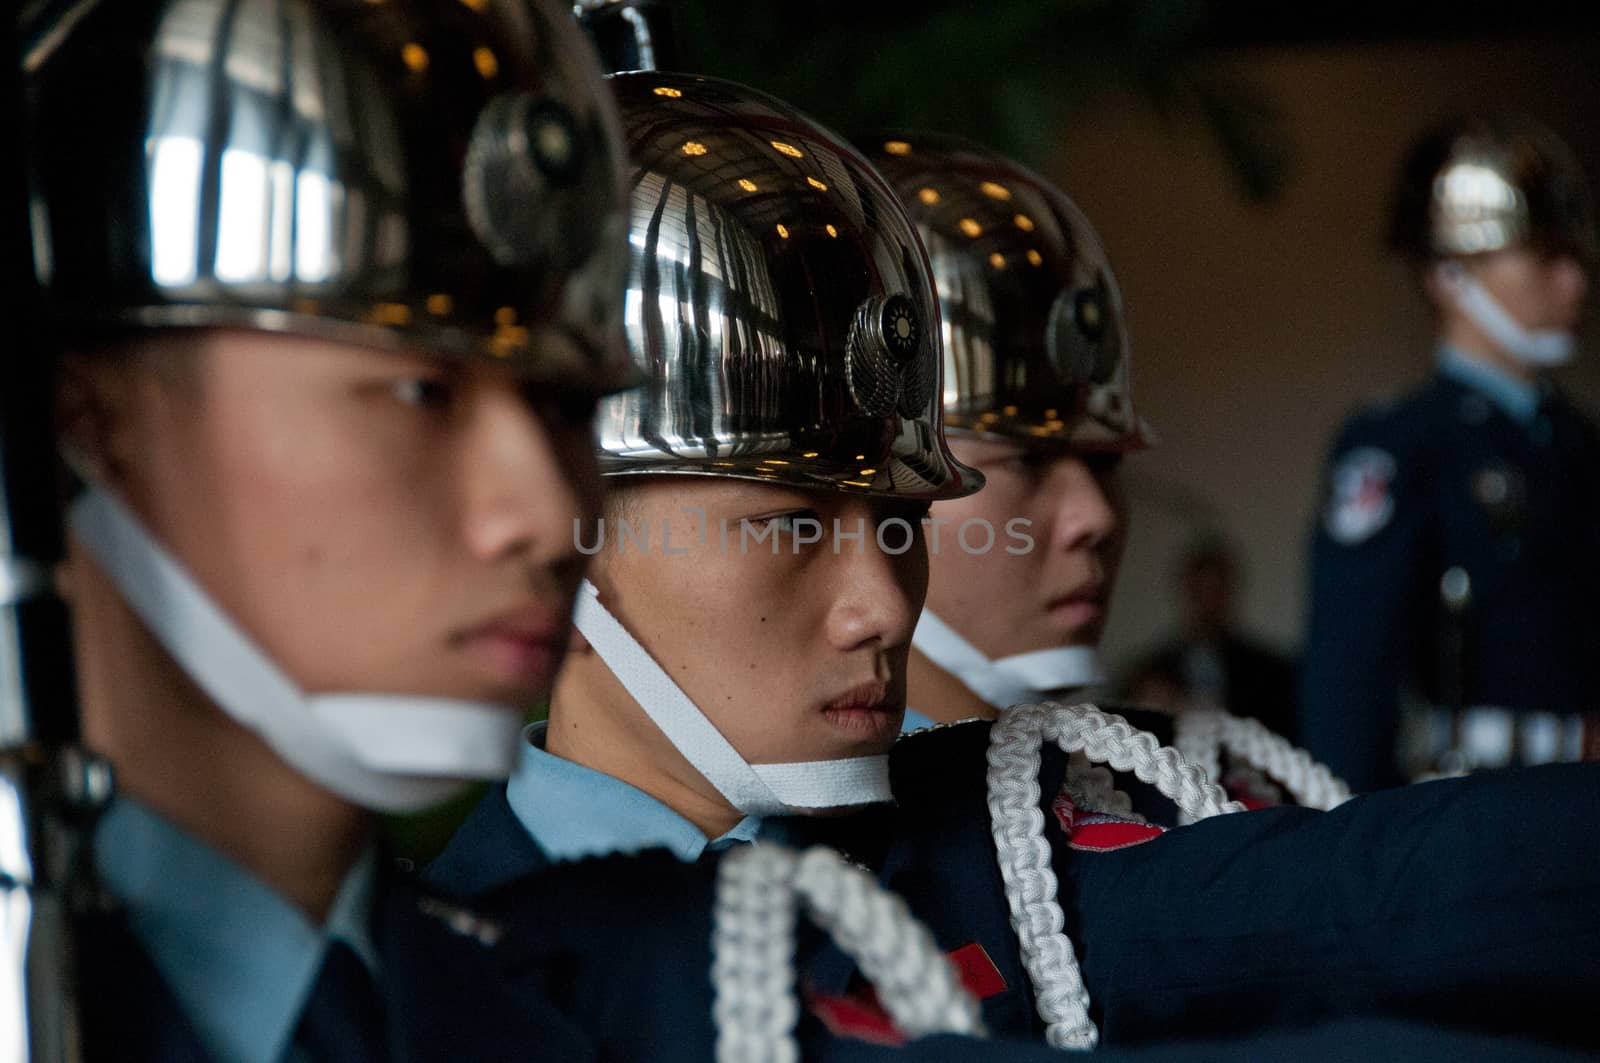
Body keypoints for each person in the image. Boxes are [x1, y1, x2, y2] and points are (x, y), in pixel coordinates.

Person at [432, 89, 1600, 1057]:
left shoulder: (1002, 835)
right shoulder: (446, 968)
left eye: (898, 522)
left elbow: (1375, 895)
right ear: (557, 541)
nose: (884, 603)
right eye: (791, 524)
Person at [20, 0, 636, 1057]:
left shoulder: (557, 1022)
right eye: (420, 395)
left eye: (566, 407)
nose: (547, 516)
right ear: (90, 407)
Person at [1300, 113, 1600, 792]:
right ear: (1449, 276)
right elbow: (1352, 675)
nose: (1575, 282)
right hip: (1481, 804)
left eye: (1575, 256)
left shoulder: (1578, 443)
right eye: (1545, 255)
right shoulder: (1404, 444)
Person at [1118, 536, 1299, 739]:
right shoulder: (1147, 674)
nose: (1208, 603)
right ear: (1187, 591)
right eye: (1200, 591)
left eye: (1216, 591)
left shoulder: (1272, 674)